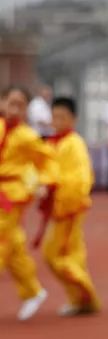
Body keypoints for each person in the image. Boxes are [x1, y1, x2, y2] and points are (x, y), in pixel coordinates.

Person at [39, 96, 100, 315]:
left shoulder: (74, 144)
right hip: (60, 207)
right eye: (54, 116)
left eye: (62, 117)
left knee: (55, 254)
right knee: (71, 253)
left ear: (73, 119)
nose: (57, 121)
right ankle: (81, 298)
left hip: (69, 208)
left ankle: (84, 295)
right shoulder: (54, 142)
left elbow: (81, 178)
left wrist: (60, 195)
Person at [0, 85, 54, 320]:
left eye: (20, 105)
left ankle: (33, 291)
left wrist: (42, 182)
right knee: (14, 244)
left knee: (1, 239)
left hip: (13, 195)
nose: (14, 109)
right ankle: (33, 291)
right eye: (10, 103)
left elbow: (49, 161)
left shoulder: (28, 136)